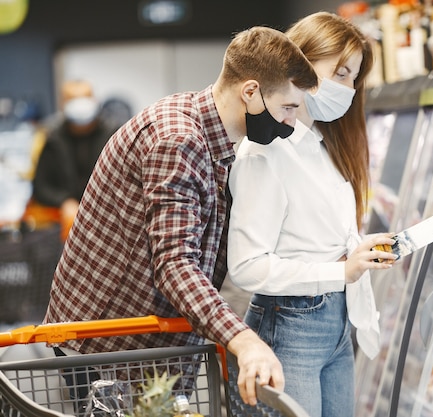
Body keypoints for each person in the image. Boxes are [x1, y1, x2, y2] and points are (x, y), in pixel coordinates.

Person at [43, 26, 318, 407]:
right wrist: (245, 341)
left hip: (141, 346)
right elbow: (174, 263)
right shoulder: (178, 139)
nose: (289, 122)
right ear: (251, 92)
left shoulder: (211, 134)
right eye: (287, 107)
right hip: (107, 347)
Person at [227, 12, 397, 417]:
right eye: (340, 72)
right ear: (301, 61)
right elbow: (247, 267)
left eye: (354, 78)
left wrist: (357, 251)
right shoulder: (264, 152)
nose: (348, 89)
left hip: (336, 323)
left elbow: (312, 236)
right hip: (290, 324)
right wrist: (340, 271)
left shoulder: (323, 145)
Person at [31, 79, 119, 241]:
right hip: (63, 229)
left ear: (94, 100)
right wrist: (64, 201)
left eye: (84, 97)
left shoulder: (114, 134)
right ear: (63, 103)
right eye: (73, 99)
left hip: (110, 223)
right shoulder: (52, 139)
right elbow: (41, 187)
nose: (80, 104)